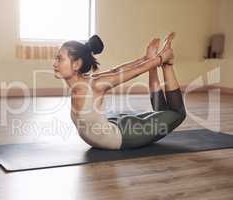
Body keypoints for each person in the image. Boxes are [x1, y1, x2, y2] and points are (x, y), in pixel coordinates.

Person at [52, 33, 186, 150]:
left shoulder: (94, 85)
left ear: (76, 64)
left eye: (59, 59)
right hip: (114, 129)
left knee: (178, 114)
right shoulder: (87, 82)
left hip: (123, 136)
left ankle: (168, 65)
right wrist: (148, 58)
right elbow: (115, 71)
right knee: (164, 114)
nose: (54, 64)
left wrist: (160, 59)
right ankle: (164, 63)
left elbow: (133, 72)